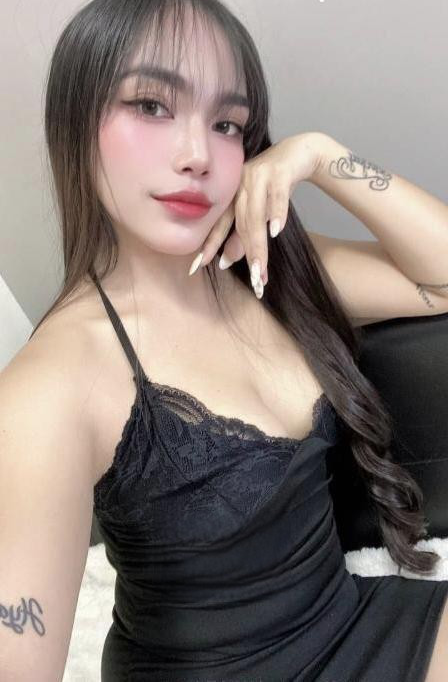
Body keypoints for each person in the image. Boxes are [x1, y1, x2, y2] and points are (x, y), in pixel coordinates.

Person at [1, 0, 448, 680]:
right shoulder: (54, 384)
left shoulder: (267, 269)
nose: (197, 156)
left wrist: (320, 155)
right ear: (76, 118)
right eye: (151, 105)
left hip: (348, 622)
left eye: (227, 124)